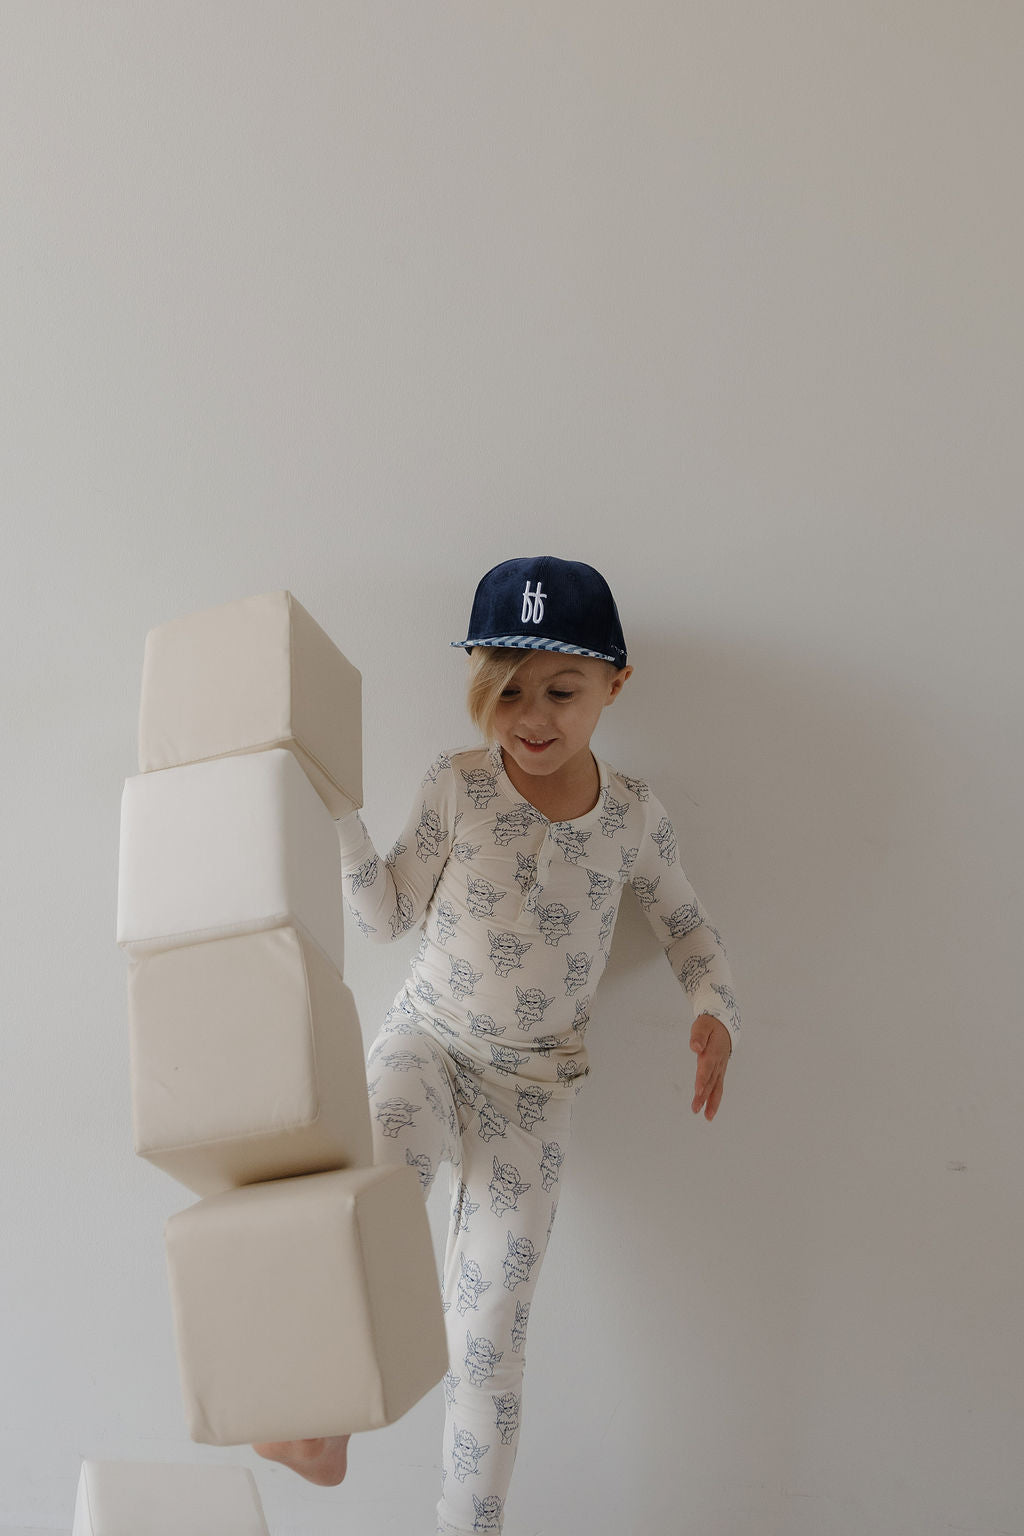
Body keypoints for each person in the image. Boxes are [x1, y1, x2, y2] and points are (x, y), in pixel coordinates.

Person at [254, 555, 741, 1535]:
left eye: (563, 690)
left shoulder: (633, 817)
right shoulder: (459, 784)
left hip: (536, 1094)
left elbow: (687, 926)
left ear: (615, 685)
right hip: (429, 1042)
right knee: (377, 1196)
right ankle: (316, 1422)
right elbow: (386, 918)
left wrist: (714, 1009)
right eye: (507, 690)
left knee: (490, 1333)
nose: (532, 717)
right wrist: (343, 818)